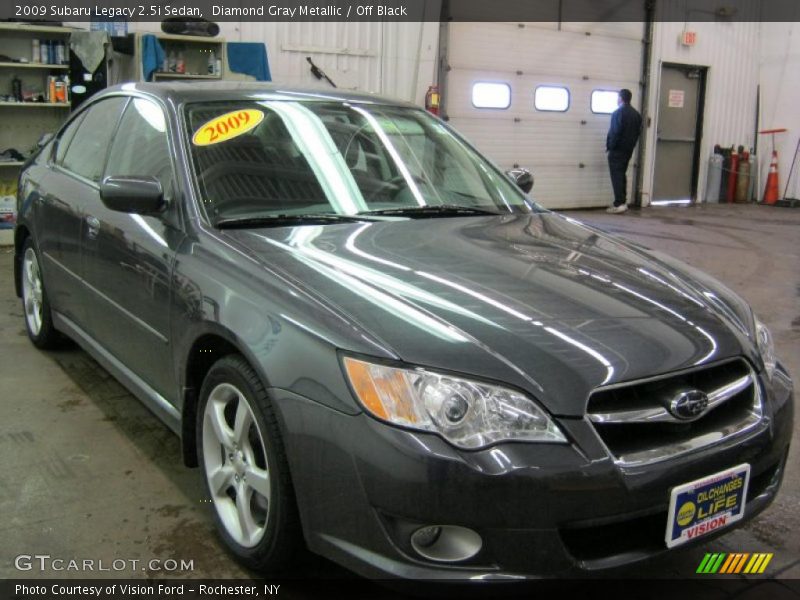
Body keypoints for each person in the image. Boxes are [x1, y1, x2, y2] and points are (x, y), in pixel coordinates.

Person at [606, 89, 642, 214]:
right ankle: (623, 201)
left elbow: (615, 132)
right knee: (622, 174)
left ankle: (619, 203)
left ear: (621, 98)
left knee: (616, 175)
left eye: (617, 97)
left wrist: (611, 146)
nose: (617, 99)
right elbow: (638, 133)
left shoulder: (618, 113)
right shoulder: (636, 114)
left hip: (617, 150)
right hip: (628, 150)